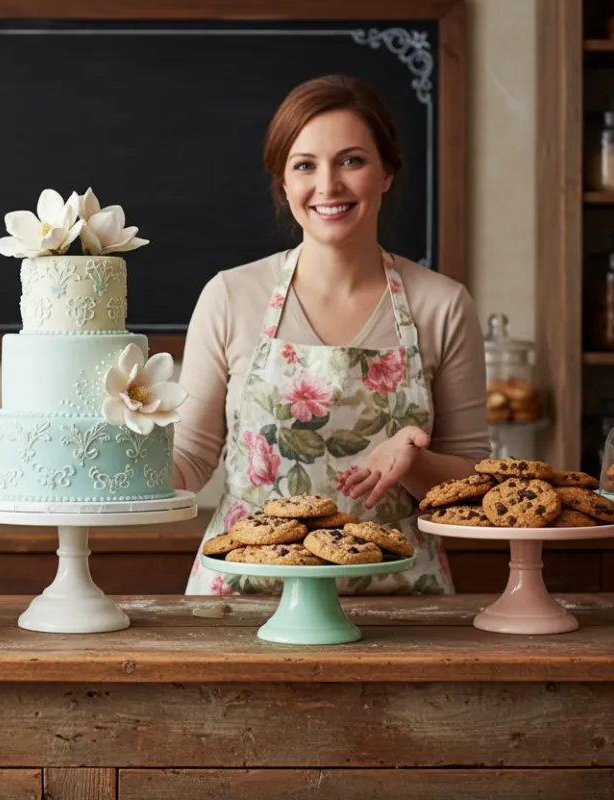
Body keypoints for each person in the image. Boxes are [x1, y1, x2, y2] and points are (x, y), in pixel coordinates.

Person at [177, 74, 489, 596]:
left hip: (401, 606)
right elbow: (187, 460)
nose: (328, 186)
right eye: (305, 165)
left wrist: (415, 463)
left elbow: (470, 488)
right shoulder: (231, 296)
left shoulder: (442, 305)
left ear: (386, 172)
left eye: (351, 160)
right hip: (246, 602)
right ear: (284, 182)